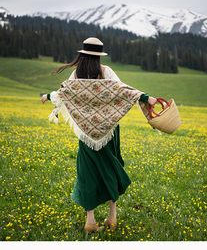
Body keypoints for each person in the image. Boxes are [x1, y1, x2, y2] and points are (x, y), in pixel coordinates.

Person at [41, 37, 157, 233]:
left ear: (82, 54)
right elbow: (124, 91)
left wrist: (48, 96)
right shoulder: (106, 72)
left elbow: (63, 93)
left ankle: (90, 221)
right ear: (99, 55)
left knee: (87, 174)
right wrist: (146, 98)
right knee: (111, 168)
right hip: (109, 132)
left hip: (86, 134)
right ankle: (112, 217)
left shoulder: (76, 75)